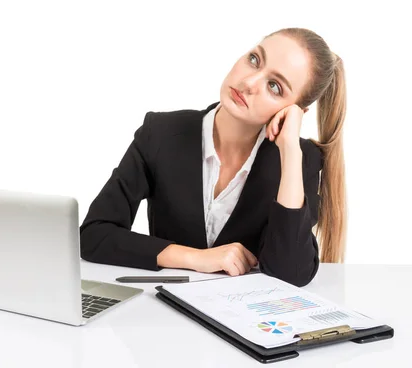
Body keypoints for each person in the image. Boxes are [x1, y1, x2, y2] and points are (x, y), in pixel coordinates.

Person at [79, 27, 346, 287]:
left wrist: (289, 152)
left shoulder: (300, 160)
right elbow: (93, 235)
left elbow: (291, 274)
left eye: (275, 87)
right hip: (163, 317)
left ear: (296, 110)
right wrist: (194, 258)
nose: (249, 82)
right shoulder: (160, 133)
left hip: (247, 324)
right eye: (254, 60)